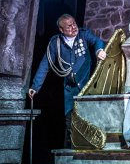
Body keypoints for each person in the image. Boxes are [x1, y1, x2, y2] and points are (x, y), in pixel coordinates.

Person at [28, 14, 106, 148]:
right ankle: (71, 152)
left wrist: (99, 50)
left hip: (88, 85)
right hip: (70, 89)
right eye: (69, 26)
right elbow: (45, 64)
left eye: (74, 23)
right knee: (70, 121)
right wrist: (35, 87)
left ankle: (91, 148)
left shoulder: (83, 34)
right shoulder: (55, 43)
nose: (73, 27)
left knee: (90, 118)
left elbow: (97, 41)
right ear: (61, 29)